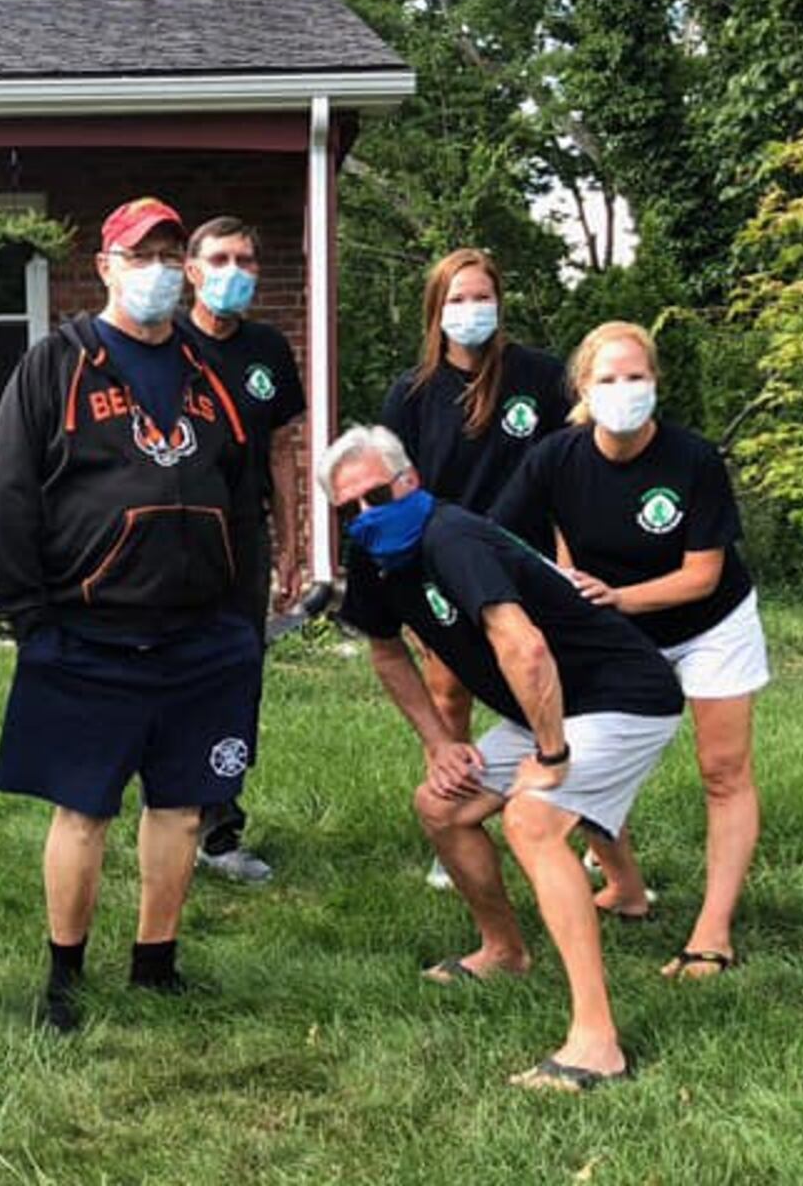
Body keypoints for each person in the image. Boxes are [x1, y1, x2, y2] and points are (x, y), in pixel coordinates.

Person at [324, 424, 684, 1090]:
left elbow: (527, 649)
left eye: (377, 494)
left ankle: (597, 1044)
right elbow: (384, 650)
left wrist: (551, 756)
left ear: (410, 481)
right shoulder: (374, 554)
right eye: (349, 508)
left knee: (532, 818)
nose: (367, 514)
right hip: (543, 704)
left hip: (622, 694)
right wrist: (441, 744)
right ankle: (504, 950)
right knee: (439, 804)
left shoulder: (451, 537)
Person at [0, 196, 263, 1033]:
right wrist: (30, 616)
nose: (160, 272)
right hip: (87, 628)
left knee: (181, 805)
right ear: (105, 266)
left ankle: (155, 963)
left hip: (202, 633)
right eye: (141, 256)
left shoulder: (207, 372)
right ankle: (63, 975)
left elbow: (244, 502)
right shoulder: (55, 364)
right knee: (84, 808)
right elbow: (5, 492)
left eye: (172, 256)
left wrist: (245, 616)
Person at [492, 321, 769, 977]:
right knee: (587, 748)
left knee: (723, 770)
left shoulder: (693, 459)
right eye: (609, 378)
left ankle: (712, 931)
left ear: (656, 382)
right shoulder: (555, 458)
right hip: (610, 623)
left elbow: (701, 574)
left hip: (709, 623)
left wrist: (615, 599)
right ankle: (625, 888)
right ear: (584, 387)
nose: (625, 390)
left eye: (637, 376)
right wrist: (558, 587)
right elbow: (502, 539)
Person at [380, 250, 570, 889]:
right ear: (436, 311)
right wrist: (406, 593)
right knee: (449, 695)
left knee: (557, 694)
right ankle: (457, 826)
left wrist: (572, 568)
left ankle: (588, 828)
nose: (471, 311)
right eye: (457, 300)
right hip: (446, 570)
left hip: (531, 564)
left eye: (481, 297)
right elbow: (394, 497)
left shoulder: (541, 377)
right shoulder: (410, 395)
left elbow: (570, 477)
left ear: (500, 302)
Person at [179, 214, 307, 884]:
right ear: (192, 271)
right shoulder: (164, 344)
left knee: (235, 674)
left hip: (245, 535)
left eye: (248, 260)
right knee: (176, 672)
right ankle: (172, 811)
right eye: (221, 258)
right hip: (172, 539)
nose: (236, 272)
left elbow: (283, 450)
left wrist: (291, 546)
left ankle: (219, 830)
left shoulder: (267, 349)